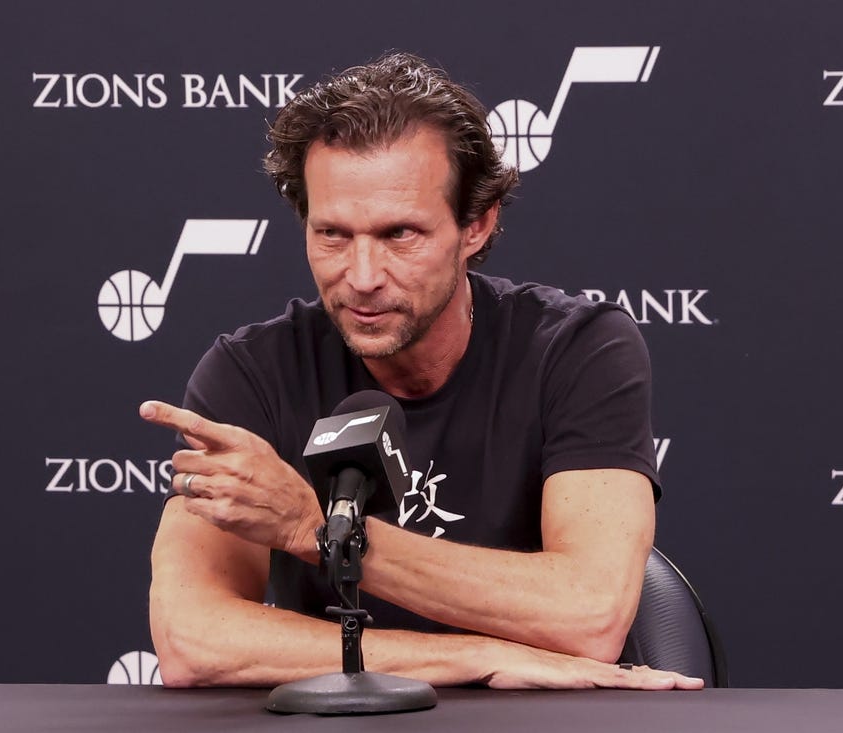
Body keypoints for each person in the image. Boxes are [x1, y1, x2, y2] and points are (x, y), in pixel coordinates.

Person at [140, 52, 703, 691]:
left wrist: (314, 530)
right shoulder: (252, 373)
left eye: (399, 234)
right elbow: (193, 640)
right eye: (331, 234)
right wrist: (473, 659)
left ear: (476, 224)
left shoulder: (577, 349)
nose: (361, 277)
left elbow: (589, 616)